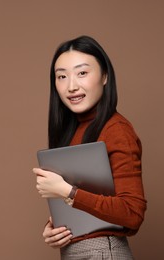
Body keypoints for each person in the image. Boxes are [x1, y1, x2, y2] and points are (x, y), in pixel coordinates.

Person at [33, 35, 147, 259]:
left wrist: (67, 191)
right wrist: (57, 229)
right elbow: (92, 203)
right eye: (62, 76)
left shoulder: (116, 129)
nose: (71, 86)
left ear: (105, 76)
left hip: (103, 252)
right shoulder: (74, 131)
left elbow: (133, 213)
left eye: (82, 73)